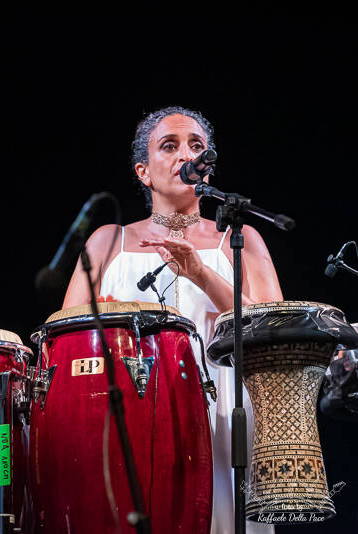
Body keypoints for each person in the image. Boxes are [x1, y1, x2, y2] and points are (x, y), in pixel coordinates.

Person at [63, 106, 282, 534]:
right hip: (126, 423)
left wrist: (201, 274)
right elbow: (65, 348)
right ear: (143, 172)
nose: (187, 154)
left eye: (197, 146)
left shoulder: (240, 240)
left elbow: (274, 336)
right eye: (170, 145)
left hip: (224, 419)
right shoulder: (108, 241)